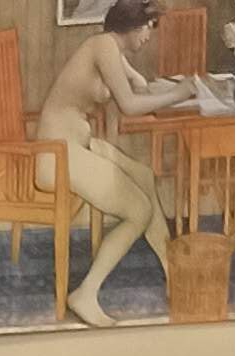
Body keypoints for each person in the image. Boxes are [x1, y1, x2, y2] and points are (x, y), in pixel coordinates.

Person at [34, 0, 195, 326]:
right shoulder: (103, 47)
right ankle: (86, 293)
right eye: (148, 27)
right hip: (56, 156)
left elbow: (140, 87)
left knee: (144, 176)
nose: (150, 35)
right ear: (133, 25)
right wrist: (179, 95)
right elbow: (131, 105)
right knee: (139, 211)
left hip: (76, 146)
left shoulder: (112, 50)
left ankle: (170, 268)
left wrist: (158, 85)